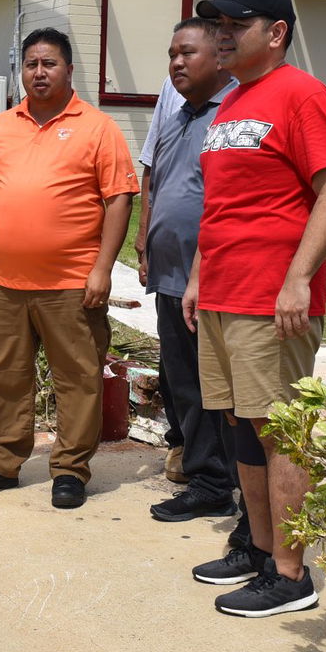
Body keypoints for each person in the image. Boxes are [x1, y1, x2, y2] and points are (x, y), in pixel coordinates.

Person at [183, 0, 326, 617]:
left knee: (280, 429)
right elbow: (221, 204)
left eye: (237, 22)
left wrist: (297, 277)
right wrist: (202, 276)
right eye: (218, 23)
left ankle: (293, 575)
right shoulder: (232, 105)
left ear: (277, 32)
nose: (223, 33)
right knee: (241, 426)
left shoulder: (303, 96)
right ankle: (261, 552)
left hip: (271, 299)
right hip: (225, 295)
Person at [0, 27, 138, 509]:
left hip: (72, 284)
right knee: (2, 376)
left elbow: (118, 200)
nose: (39, 72)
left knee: (77, 377)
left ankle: (70, 470)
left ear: (68, 70)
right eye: (31, 64)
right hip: (4, 282)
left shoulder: (98, 127)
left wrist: (103, 268)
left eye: (49, 63)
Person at [143, 18, 239, 523]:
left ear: (219, 58)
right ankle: (199, 467)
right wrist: (145, 243)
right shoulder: (179, 113)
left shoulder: (232, 116)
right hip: (168, 271)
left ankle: (213, 482)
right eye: (172, 54)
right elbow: (156, 179)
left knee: (207, 385)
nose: (176, 63)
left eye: (188, 53)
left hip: (210, 279)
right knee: (179, 378)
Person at [136, 78, 188, 482]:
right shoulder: (174, 90)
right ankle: (182, 443)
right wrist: (143, 234)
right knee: (174, 358)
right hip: (169, 260)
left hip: (214, 267)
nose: (179, 63)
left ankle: (214, 461)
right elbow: (151, 164)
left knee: (210, 365)